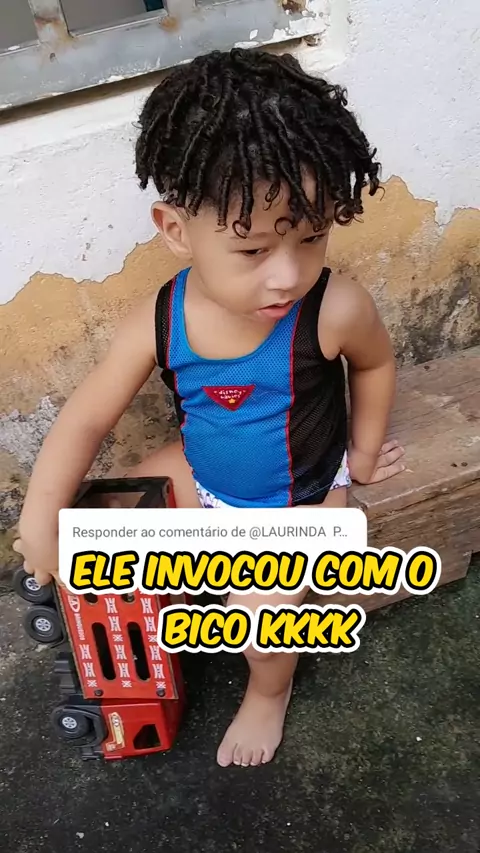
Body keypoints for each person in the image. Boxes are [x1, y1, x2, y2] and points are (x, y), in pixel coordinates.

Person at [14, 48, 405, 768]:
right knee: (109, 522)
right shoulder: (159, 318)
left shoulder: (334, 308)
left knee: (262, 622)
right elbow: (87, 417)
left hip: (296, 500)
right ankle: (143, 655)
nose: (287, 275)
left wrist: (362, 453)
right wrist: (41, 522)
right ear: (175, 230)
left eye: (312, 237)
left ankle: (268, 692)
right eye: (252, 250)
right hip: (204, 474)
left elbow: (376, 363)